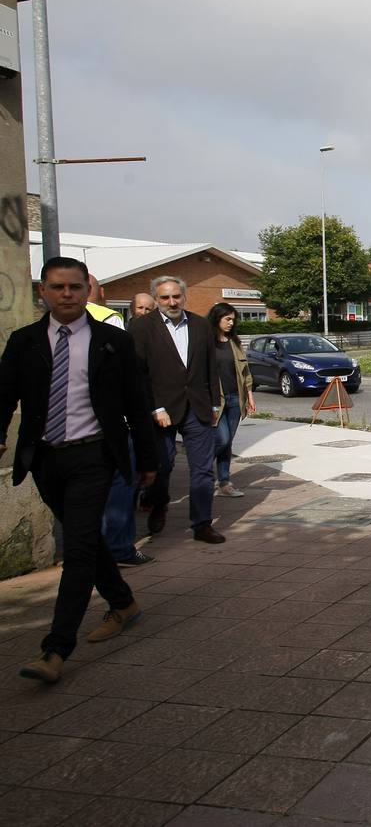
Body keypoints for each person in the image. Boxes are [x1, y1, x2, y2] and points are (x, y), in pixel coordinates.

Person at [0, 257, 158, 683]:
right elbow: (4, 394)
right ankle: (124, 603)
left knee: (78, 548)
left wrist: (147, 461)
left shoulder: (112, 341)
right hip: (45, 458)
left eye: (74, 287)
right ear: (43, 292)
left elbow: (136, 404)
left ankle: (55, 649)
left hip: (94, 456)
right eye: (57, 287)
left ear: (87, 292)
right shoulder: (24, 341)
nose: (66, 294)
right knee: (87, 538)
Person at [128, 276, 224, 543]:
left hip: (198, 407)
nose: (172, 302)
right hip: (161, 410)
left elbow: (210, 366)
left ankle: (202, 523)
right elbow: (139, 373)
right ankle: (159, 504)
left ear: (184, 297)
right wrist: (154, 408)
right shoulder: (142, 327)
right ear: (156, 300)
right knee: (162, 465)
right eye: (165, 298)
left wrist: (215, 402)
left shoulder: (200, 325)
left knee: (203, 469)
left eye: (176, 296)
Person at [83, 276, 153, 566]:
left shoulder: (41, 331)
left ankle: (91, 552)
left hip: (75, 431)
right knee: (119, 487)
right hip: (111, 425)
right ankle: (118, 549)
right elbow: (127, 381)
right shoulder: (110, 319)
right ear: (101, 293)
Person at [208, 302, 256, 498]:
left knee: (228, 443)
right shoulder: (206, 342)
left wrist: (250, 397)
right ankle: (203, 470)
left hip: (236, 398)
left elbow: (245, 374)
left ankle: (224, 483)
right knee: (222, 439)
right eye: (227, 319)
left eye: (233, 320)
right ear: (217, 318)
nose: (230, 323)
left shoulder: (234, 342)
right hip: (216, 401)